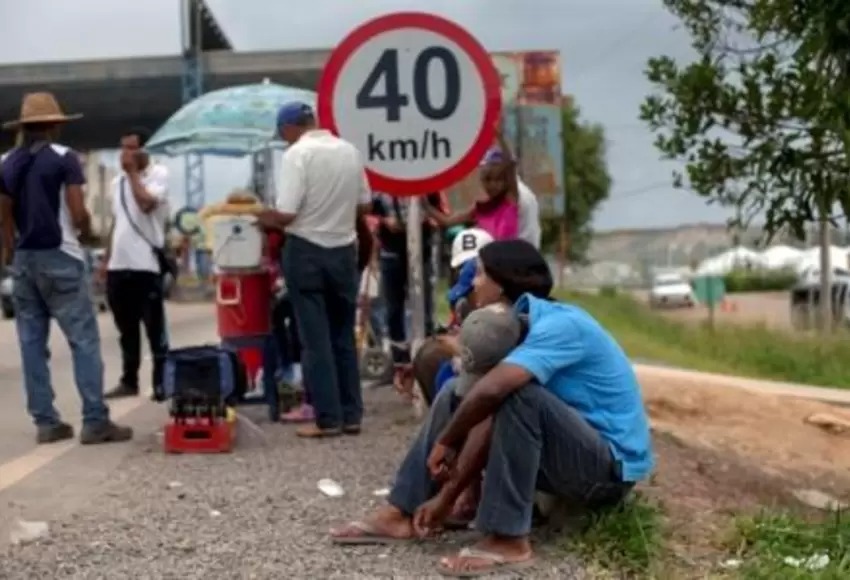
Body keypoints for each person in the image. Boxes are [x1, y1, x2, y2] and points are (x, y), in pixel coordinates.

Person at [330, 239, 654, 577]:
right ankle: (401, 512)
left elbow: (495, 393)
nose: (473, 282)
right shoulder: (513, 328)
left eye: (480, 273)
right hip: (568, 459)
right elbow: (486, 415)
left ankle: (509, 538)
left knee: (518, 395)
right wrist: (447, 495)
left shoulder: (560, 326)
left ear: (502, 283)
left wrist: (447, 441)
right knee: (456, 392)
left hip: (605, 475)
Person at [0, 92, 132, 444]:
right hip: (61, 256)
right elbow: (77, 212)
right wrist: (86, 231)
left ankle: (46, 422)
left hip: (24, 262)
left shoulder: (7, 161)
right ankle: (94, 420)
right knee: (83, 341)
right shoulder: (65, 159)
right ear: (56, 125)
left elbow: (4, 214)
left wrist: (11, 252)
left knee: (31, 344)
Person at [256, 101, 370, 438]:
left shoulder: (297, 155)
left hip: (306, 253)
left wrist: (263, 218)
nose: (284, 139)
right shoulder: (349, 151)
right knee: (343, 336)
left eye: (283, 133)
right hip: (343, 252)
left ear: (290, 127)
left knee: (315, 340)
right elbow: (365, 204)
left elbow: (287, 213)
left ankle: (327, 419)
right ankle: (352, 416)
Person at [99, 127, 170, 400]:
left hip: (146, 265)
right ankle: (129, 380)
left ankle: (162, 381)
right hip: (120, 265)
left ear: (144, 150)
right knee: (126, 329)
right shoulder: (117, 182)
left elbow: (146, 205)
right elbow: (119, 221)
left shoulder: (158, 174)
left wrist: (131, 174)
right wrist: (106, 259)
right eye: (123, 148)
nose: (125, 154)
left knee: (153, 327)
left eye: (131, 148)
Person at [370, 192, 443, 365]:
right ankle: (399, 355)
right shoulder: (380, 188)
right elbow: (371, 208)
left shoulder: (424, 185)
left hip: (420, 245)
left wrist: (422, 219)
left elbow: (434, 205)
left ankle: (427, 351)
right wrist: (386, 220)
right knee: (393, 304)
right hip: (391, 247)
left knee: (424, 299)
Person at [426, 128, 520, 242]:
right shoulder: (479, 209)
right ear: (482, 181)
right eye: (488, 180)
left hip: (508, 257)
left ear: (505, 182)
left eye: (498, 180)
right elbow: (447, 221)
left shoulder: (510, 199)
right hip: (488, 257)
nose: (492, 185)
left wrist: (499, 137)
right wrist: (424, 204)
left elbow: (510, 164)